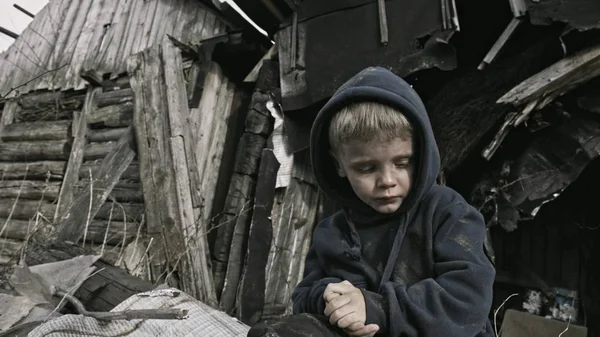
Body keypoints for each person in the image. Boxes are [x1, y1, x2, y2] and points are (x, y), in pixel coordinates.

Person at [248, 67, 495, 337]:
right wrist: (328, 297)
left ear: (421, 154)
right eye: (367, 169)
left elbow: (467, 302)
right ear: (339, 165)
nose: (387, 180)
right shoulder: (333, 232)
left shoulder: (450, 213)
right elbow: (304, 297)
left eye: (402, 163)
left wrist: (376, 307)